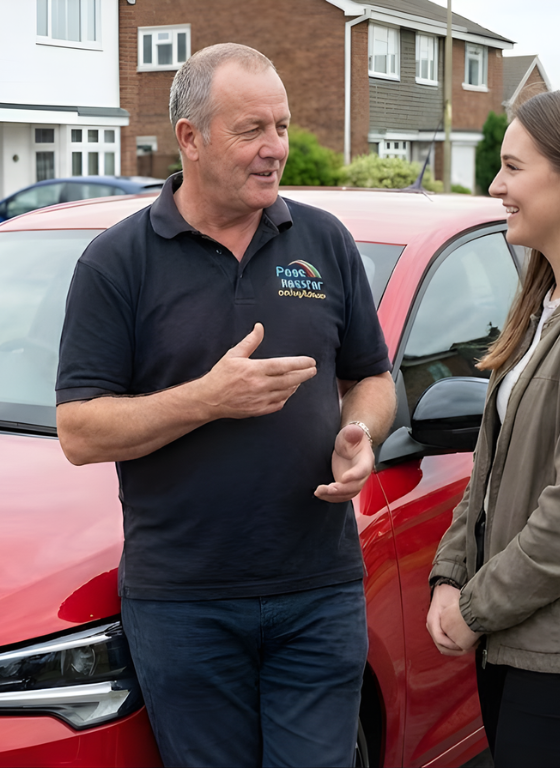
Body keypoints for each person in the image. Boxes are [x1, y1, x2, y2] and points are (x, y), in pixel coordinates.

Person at [55, 43, 396, 768]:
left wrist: (361, 430)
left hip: (318, 591)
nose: (277, 148)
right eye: (252, 130)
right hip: (185, 603)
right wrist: (207, 400)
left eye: (282, 124)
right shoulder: (118, 262)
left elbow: (371, 376)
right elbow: (80, 431)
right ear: (190, 138)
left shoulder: (325, 241)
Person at [427, 88, 560, 767]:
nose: (496, 185)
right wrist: (450, 573)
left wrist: (476, 606)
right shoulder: (539, 301)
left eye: (514, 167)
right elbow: (487, 471)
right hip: (512, 645)